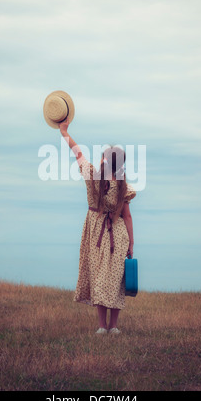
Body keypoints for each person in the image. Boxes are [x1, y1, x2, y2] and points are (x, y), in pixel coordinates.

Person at [59, 117, 136, 335]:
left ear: (105, 160)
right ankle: (114, 326)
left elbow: (77, 152)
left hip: (96, 231)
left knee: (100, 278)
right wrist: (131, 243)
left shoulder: (93, 174)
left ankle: (102, 326)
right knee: (115, 279)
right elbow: (127, 217)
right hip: (118, 234)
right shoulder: (123, 185)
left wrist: (64, 131)